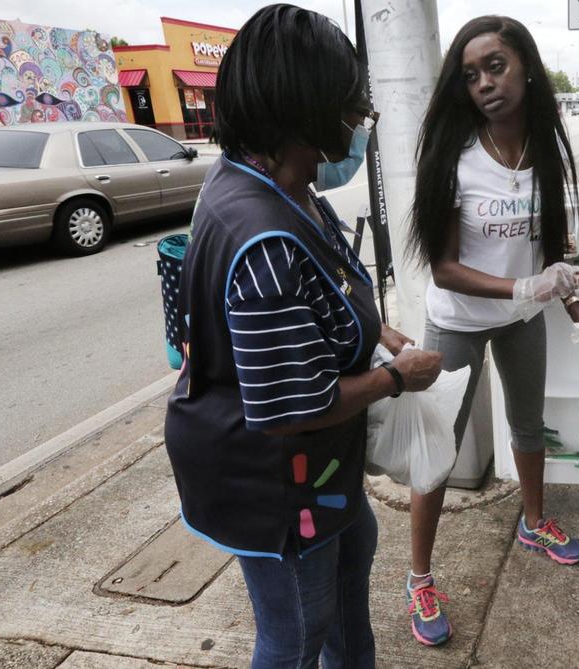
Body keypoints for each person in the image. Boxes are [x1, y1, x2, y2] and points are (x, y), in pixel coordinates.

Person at [162, 5, 442, 668]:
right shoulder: (260, 236)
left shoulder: (278, 183)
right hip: (277, 485)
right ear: (307, 110)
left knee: (348, 592)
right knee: (296, 631)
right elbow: (293, 408)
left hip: (322, 471)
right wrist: (399, 376)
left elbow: (324, 295)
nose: (360, 125)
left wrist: (378, 333)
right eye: (352, 109)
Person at [405, 15, 579, 646]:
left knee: (528, 425)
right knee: (437, 450)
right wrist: (523, 289)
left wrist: (571, 305)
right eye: (470, 76)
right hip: (458, 324)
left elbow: (546, 245)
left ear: (524, 65)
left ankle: (534, 520)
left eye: (496, 66)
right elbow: (443, 269)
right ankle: (419, 578)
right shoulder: (455, 158)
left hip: (522, 323)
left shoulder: (543, 150)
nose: (485, 84)